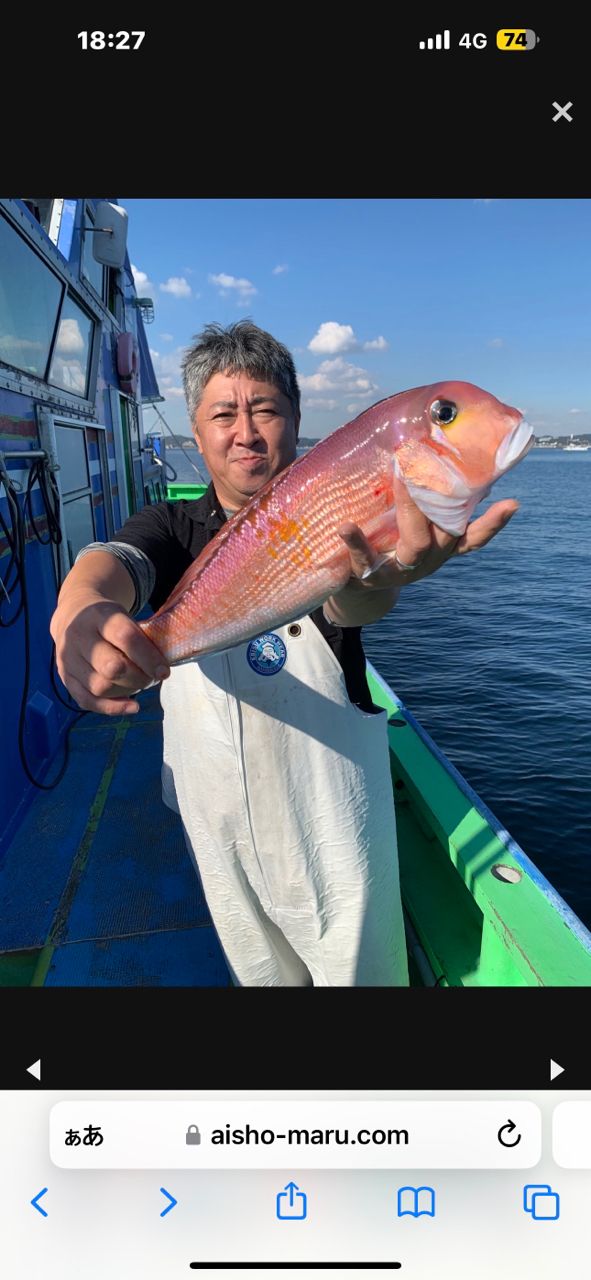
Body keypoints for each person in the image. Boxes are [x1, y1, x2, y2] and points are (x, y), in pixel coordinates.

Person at [50, 321, 518, 987]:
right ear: (197, 427)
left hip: (333, 833)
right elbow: (115, 561)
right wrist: (79, 608)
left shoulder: (335, 505)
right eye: (223, 414)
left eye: (265, 409)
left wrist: (376, 582)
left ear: (296, 419)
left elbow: (351, 606)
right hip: (218, 829)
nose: (245, 432)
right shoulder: (171, 526)